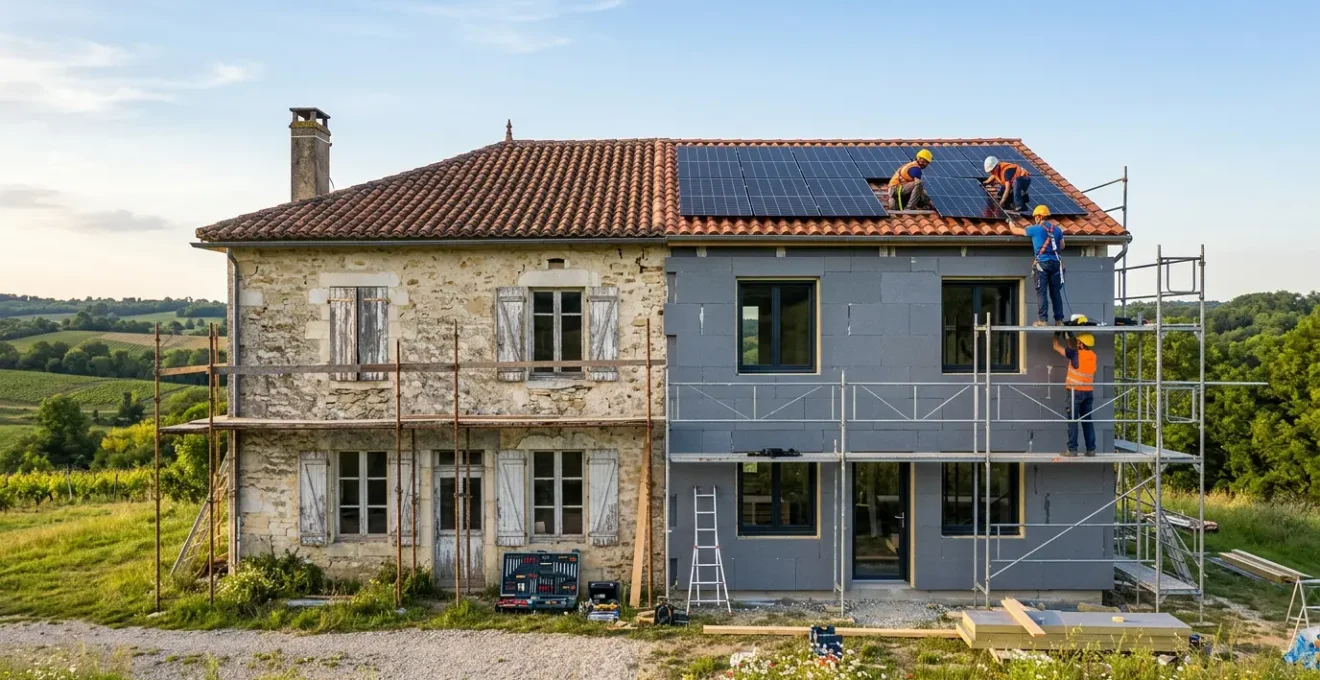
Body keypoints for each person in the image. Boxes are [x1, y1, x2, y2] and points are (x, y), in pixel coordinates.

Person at [1011, 205, 1065, 326]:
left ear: (1040, 217)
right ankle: (1059, 320)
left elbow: (1015, 231)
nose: (1035, 219)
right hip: (1056, 264)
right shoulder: (1057, 230)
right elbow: (1062, 246)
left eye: (1035, 217)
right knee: (1055, 293)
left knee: (1042, 292)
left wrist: (1010, 223)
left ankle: (1043, 320)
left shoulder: (1035, 229)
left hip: (1042, 264)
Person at [1053, 332, 1096, 456]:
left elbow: (1056, 346)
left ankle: (1072, 450)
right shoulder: (1093, 355)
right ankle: (1091, 449)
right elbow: (1073, 349)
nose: (1077, 343)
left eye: (1079, 342)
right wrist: (1070, 336)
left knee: (1073, 421)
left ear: (1082, 344)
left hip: (1075, 393)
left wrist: (1057, 334)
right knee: (1087, 421)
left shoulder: (1075, 354)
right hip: (1088, 392)